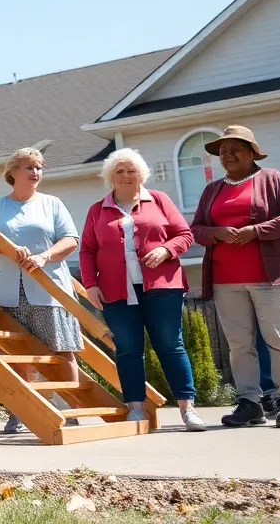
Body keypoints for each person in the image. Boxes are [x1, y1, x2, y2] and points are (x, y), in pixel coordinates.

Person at [78, 148, 206, 431]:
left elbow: (184, 235)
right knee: (127, 350)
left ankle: (188, 410)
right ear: (110, 177)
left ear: (141, 174)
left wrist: (166, 249)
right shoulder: (97, 210)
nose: (125, 175)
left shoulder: (159, 200)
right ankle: (135, 409)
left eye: (131, 170)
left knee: (170, 346)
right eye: (119, 171)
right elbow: (87, 250)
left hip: (162, 287)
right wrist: (91, 284)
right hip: (115, 291)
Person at [188, 125, 280, 429]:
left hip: (270, 277)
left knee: (279, 340)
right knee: (239, 344)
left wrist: (256, 231)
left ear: (252, 151)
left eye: (235, 148)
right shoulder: (212, 190)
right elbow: (196, 229)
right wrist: (216, 233)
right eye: (222, 151)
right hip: (226, 280)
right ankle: (249, 403)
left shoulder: (273, 179)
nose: (228, 155)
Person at [0, 148, 82, 434]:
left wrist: (44, 256)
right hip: (8, 292)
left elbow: (70, 240)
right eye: (30, 167)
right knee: (15, 354)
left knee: (62, 350)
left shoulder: (52, 203)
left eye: (40, 167)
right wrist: (6, 247)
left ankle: (70, 411)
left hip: (49, 289)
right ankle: (22, 411)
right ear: (13, 172)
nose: (36, 172)